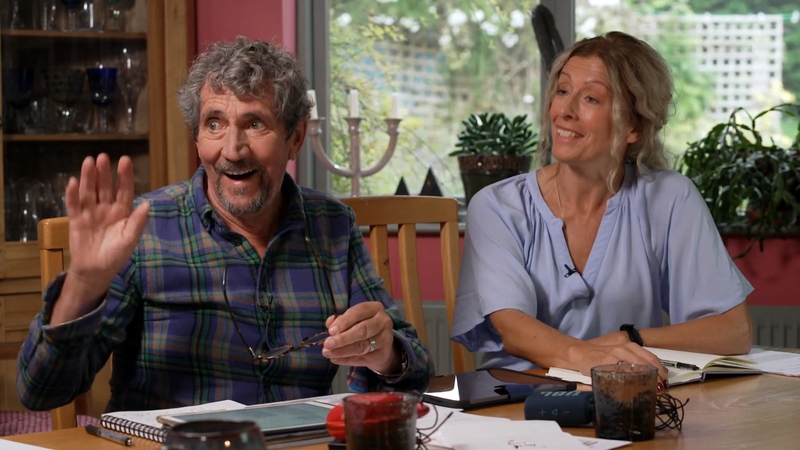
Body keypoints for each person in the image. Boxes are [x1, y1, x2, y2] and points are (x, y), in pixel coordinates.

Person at [18, 36, 433, 412]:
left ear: (295, 138)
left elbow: (413, 370)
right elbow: (41, 392)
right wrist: (82, 286)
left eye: (255, 124)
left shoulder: (332, 225)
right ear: (197, 136)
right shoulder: (143, 228)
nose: (232, 150)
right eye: (214, 124)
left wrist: (383, 352)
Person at [451, 31, 753, 387]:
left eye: (591, 98)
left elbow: (734, 330)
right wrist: (591, 357)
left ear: (634, 126)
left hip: (624, 398)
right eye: (562, 91)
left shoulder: (670, 198)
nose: (565, 110)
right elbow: (513, 328)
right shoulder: (497, 206)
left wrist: (629, 340)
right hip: (519, 401)